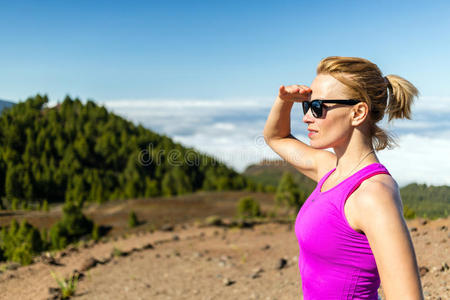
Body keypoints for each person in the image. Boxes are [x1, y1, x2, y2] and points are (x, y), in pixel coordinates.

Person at [263, 56, 423, 299]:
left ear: (358, 113)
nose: (307, 117)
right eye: (306, 106)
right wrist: (284, 101)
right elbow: (276, 137)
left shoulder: (372, 195)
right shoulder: (329, 170)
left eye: (317, 107)